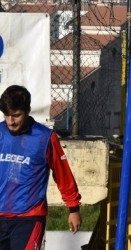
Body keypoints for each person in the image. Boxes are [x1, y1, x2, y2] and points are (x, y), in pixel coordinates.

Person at [0, 85, 82, 249]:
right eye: (7, 115)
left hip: (29, 218)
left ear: (27, 111)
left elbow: (62, 173)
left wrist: (73, 208)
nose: (10, 121)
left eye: (16, 116)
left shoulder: (45, 137)